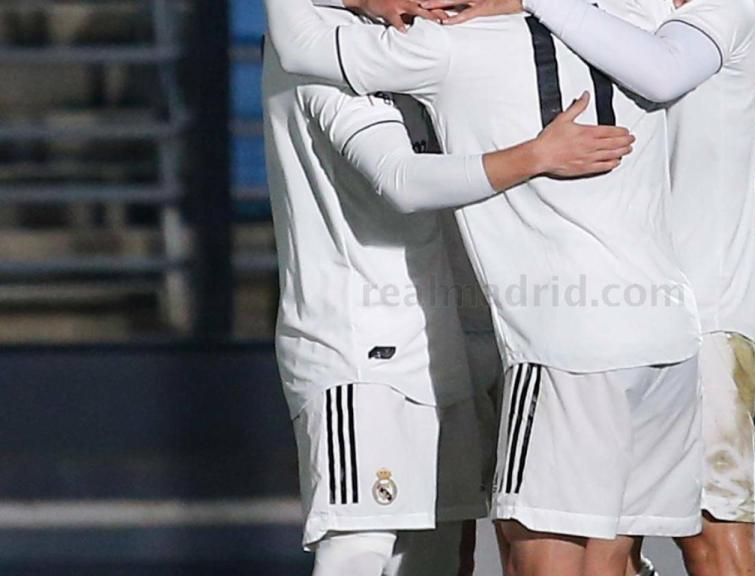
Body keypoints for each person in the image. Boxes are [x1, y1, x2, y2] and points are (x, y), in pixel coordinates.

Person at [262, 2, 708, 575]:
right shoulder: (628, 28)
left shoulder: (439, 48)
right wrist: (534, 155)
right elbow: (398, 176)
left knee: (490, 557)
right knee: (376, 546)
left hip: (530, 341)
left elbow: (301, 40)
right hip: (371, 343)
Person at [422, 0, 755, 574]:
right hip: (601, 311)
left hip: (705, 306)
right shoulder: (596, 8)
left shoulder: (724, 7)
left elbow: (661, 71)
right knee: (580, 539)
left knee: (712, 534)